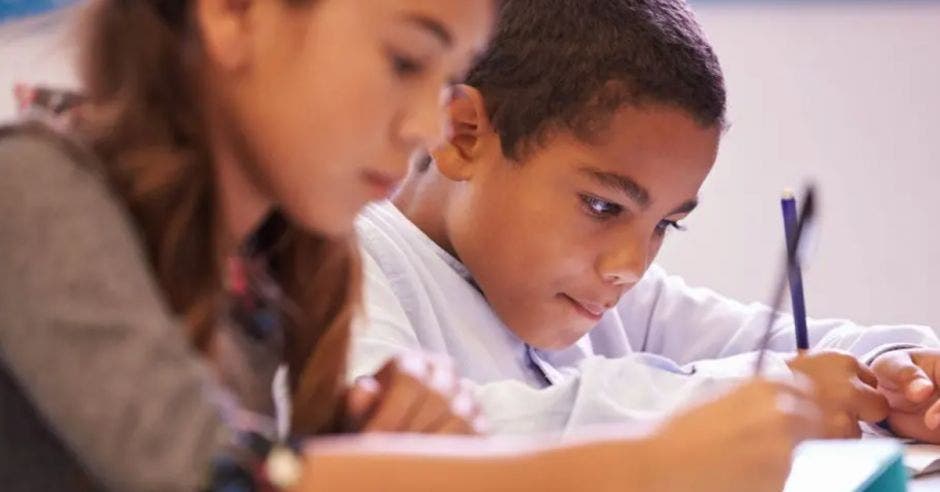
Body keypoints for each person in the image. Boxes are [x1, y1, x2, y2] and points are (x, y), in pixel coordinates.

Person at [0, 1, 821, 491]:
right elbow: (228, 480)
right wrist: (641, 466)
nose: (430, 124)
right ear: (233, 12)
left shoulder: (280, 261)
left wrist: (369, 449)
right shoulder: (32, 190)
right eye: (404, 59)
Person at [349, 0, 940, 441]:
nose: (630, 266)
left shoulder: (607, 298)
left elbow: (782, 344)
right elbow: (438, 441)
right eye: (603, 206)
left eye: (665, 224)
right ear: (465, 135)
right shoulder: (344, 268)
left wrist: (898, 372)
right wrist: (759, 391)